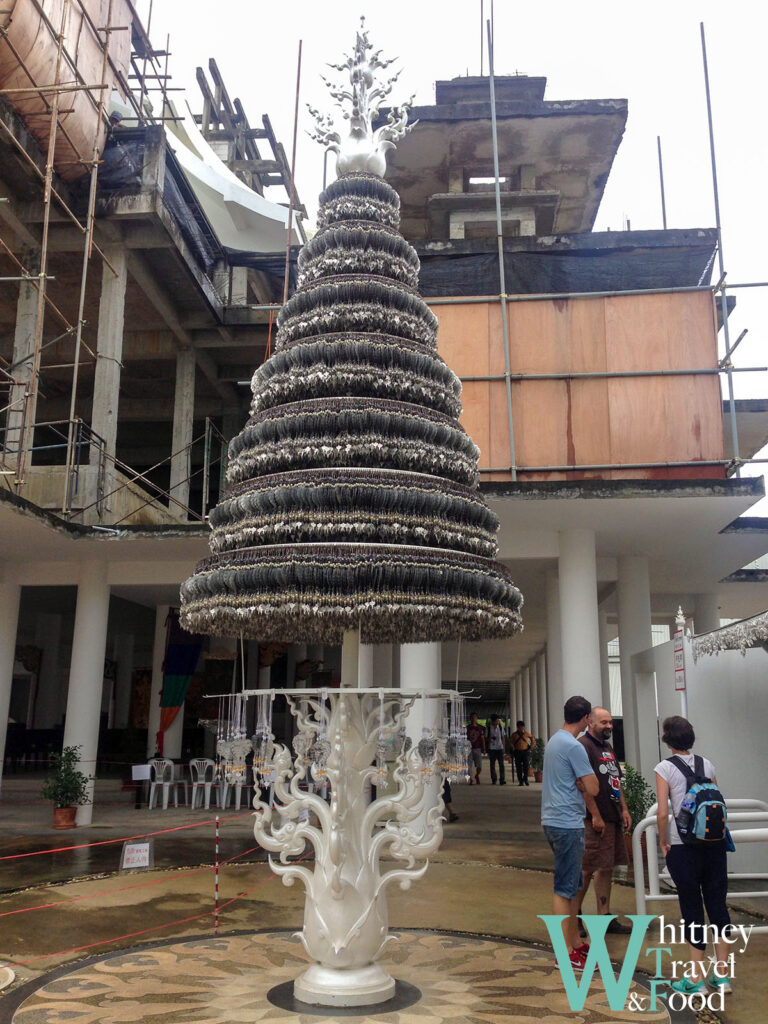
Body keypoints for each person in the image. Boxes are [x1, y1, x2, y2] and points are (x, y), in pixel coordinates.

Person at [655, 715, 733, 996]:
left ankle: (696, 980)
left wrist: (663, 841)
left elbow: (663, 812)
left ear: (667, 739)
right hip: (714, 845)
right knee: (718, 905)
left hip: (682, 846)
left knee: (691, 909)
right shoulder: (707, 763)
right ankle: (722, 977)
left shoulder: (664, 768)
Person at [541, 695, 599, 971]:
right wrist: (584, 783)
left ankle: (575, 942)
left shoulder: (555, 741)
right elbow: (594, 788)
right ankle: (564, 951)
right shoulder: (574, 747)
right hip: (567, 822)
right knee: (565, 888)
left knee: (574, 884)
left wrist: (580, 783)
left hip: (554, 819)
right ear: (586, 719)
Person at [575, 707, 632, 934]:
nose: (609, 726)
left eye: (610, 722)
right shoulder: (583, 747)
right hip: (593, 820)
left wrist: (624, 810)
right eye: (604, 722)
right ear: (590, 722)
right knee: (587, 868)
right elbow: (581, 784)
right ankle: (575, 915)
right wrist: (596, 815)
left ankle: (604, 916)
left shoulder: (607, 747)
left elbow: (615, 780)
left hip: (612, 817)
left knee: (606, 867)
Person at [510, 720, 536, 786]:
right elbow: (510, 742)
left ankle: (525, 779)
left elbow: (532, 738)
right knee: (518, 767)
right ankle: (520, 781)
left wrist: (531, 746)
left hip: (525, 752)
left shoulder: (526, 734)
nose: (520, 728)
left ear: (523, 727)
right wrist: (512, 747)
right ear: (517, 727)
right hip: (517, 752)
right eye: (519, 727)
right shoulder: (514, 734)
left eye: (521, 727)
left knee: (526, 766)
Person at [466, 712, 486, 784]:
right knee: (469, 765)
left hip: (477, 748)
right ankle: (471, 779)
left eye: (475, 717)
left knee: (479, 766)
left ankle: (477, 775)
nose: (474, 719)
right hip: (469, 749)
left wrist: (484, 748)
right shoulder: (467, 728)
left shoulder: (480, 728)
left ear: (477, 718)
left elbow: (482, 739)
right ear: (470, 718)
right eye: (472, 717)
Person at [486, 714, 506, 785]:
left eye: (498, 720)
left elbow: (503, 737)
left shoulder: (500, 727)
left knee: (501, 765)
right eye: (496, 720)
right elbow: (486, 738)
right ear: (493, 721)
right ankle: (494, 779)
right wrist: (490, 739)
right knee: (492, 765)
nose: (498, 722)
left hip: (500, 748)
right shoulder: (488, 728)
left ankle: (502, 779)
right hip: (492, 748)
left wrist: (504, 747)